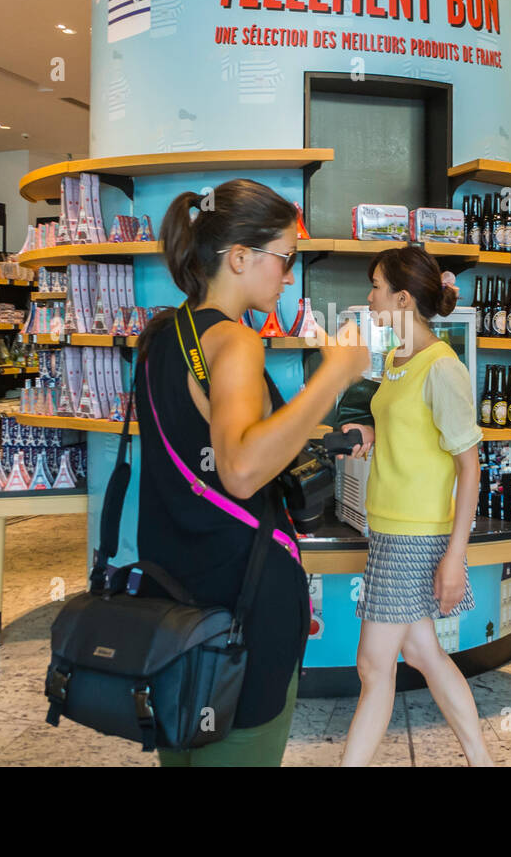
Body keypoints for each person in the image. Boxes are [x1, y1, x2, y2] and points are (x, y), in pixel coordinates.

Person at [135, 179, 369, 766]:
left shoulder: (164, 336)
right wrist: (332, 378)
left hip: (172, 601)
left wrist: (317, 439)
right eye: (284, 258)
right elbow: (239, 470)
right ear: (239, 257)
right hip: (240, 603)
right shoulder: (235, 342)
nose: (288, 276)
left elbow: (202, 450)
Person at [338, 246, 493, 767]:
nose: (370, 296)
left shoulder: (442, 367)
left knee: (373, 664)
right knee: (422, 652)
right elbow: (409, 431)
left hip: (415, 534)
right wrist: (370, 431)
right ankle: (480, 759)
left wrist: (455, 554)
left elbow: (469, 465)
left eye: (377, 286)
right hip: (388, 526)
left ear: (402, 298)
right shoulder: (394, 359)